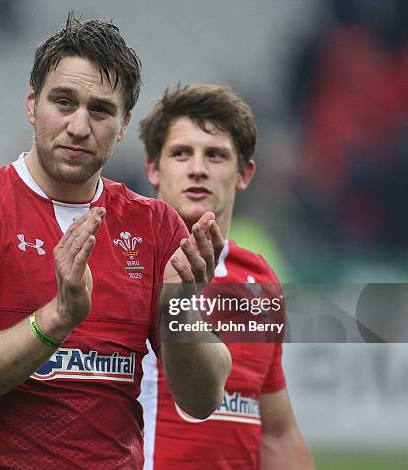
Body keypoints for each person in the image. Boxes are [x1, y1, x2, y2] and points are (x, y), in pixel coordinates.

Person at [0, 17, 231, 469]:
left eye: (100, 110)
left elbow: (203, 399)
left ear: (123, 126)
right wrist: (56, 319)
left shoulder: (156, 226)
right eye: (63, 102)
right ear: (32, 103)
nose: (79, 126)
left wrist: (177, 309)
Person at [138, 84, 314, 469]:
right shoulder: (125, 266)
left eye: (215, 155)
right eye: (181, 153)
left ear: (244, 174)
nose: (197, 167)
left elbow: (276, 430)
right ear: (154, 167)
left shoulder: (259, 277)